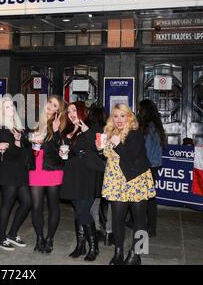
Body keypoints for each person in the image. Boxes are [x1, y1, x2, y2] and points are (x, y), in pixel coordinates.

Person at [99, 104, 156, 265]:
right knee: (117, 219)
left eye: (122, 116)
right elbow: (108, 155)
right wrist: (100, 149)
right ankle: (118, 252)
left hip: (136, 179)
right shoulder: (109, 132)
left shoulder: (135, 133)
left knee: (139, 219)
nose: (118, 120)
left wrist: (117, 144)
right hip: (116, 180)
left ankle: (137, 254)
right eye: (116, 116)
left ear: (129, 117)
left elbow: (130, 157)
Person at [60, 102, 104, 262]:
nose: (71, 113)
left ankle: (93, 247)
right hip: (72, 174)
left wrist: (86, 131)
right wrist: (63, 154)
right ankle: (81, 246)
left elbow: (101, 149)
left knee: (84, 211)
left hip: (89, 174)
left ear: (81, 111)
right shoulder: (67, 131)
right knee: (79, 211)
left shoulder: (93, 128)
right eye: (69, 111)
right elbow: (66, 153)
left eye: (74, 110)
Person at [27, 95, 66, 254]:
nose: (50, 106)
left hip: (52, 168)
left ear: (58, 110)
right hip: (35, 167)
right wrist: (28, 138)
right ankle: (39, 238)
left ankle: (49, 239)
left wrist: (56, 132)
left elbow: (61, 148)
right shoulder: (34, 120)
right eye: (49, 102)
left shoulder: (58, 124)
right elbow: (25, 139)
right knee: (36, 206)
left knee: (53, 205)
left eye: (55, 105)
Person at [0, 97, 31, 251]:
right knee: (7, 205)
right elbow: (10, 155)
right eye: (7, 107)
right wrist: (17, 143)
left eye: (11, 106)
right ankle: (1, 238)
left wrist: (23, 143)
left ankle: (12, 233)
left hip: (20, 171)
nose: (11, 109)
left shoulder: (18, 126)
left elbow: (24, 151)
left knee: (27, 202)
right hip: (8, 172)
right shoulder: (1, 128)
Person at [137, 99, 167, 237]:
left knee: (146, 197)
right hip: (154, 164)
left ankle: (148, 227)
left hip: (147, 165)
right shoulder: (157, 125)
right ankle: (149, 225)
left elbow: (146, 150)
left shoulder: (148, 127)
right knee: (149, 196)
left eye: (139, 109)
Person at [87, 104, 111, 245]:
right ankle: (109, 231)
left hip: (91, 169)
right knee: (110, 202)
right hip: (105, 169)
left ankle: (95, 226)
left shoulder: (87, 129)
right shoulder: (106, 130)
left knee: (93, 200)